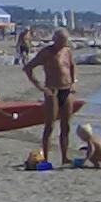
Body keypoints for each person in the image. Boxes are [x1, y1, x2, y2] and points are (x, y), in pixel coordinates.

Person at [24, 27, 78, 168]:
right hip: (52, 90)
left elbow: (71, 66)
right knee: (50, 126)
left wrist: (73, 83)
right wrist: (40, 87)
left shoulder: (67, 51)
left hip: (66, 90)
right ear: (55, 39)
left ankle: (65, 157)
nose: (64, 44)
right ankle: (46, 158)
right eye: (61, 41)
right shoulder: (46, 53)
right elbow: (28, 68)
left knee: (66, 126)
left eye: (65, 41)